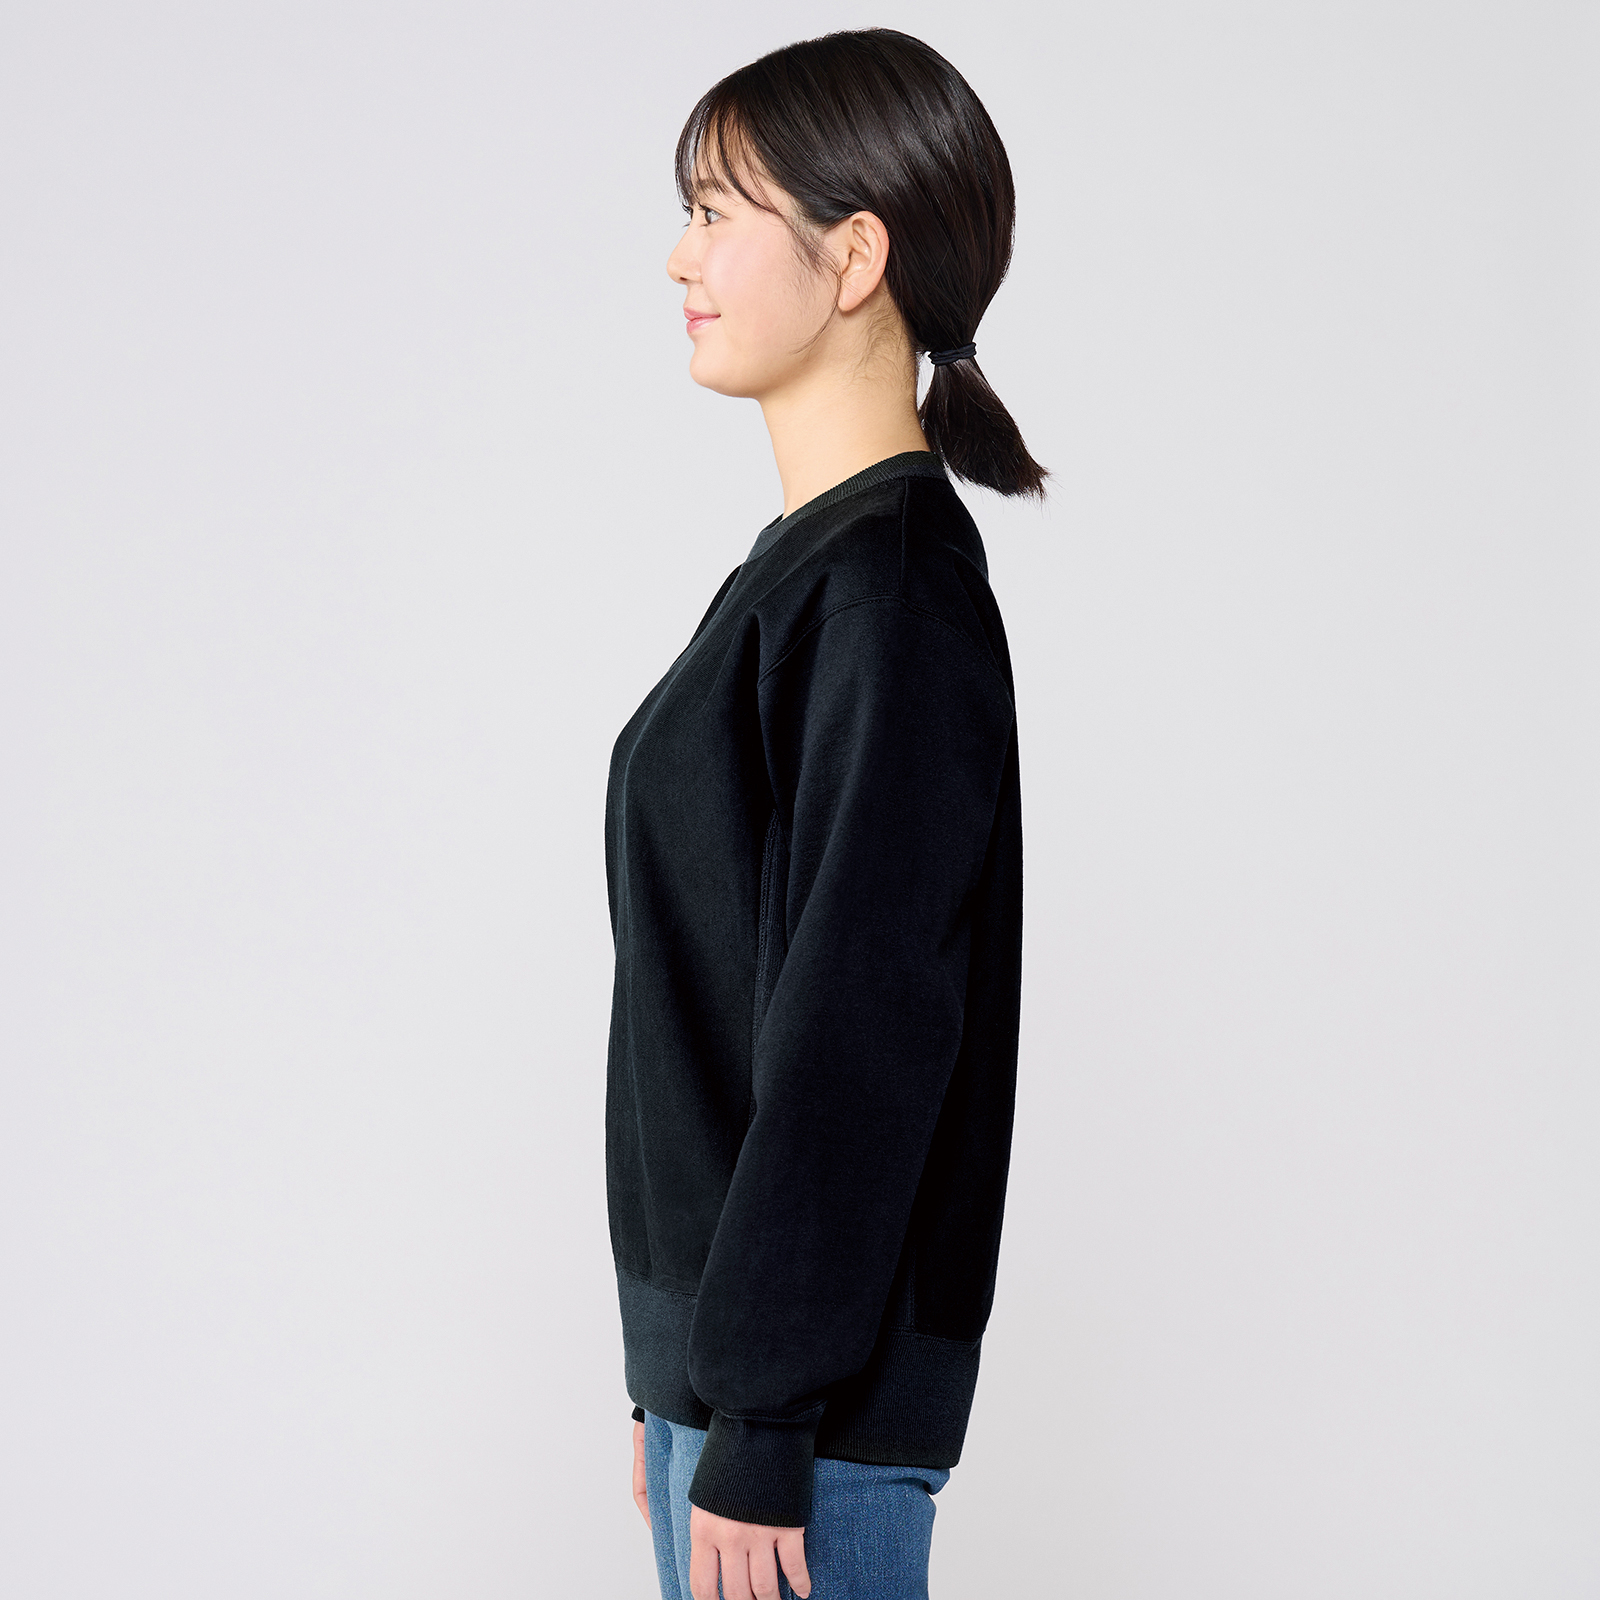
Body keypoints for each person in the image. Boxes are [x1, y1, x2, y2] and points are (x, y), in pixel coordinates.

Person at [604, 28, 1047, 1600]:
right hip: (740, 1397)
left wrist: (764, 1415)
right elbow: (731, 993)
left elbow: (862, 1029)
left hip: (807, 1427)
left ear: (855, 256)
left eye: (717, 212)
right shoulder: (807, 574)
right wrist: (682, 1384)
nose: (680, 256)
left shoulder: (890, 599)